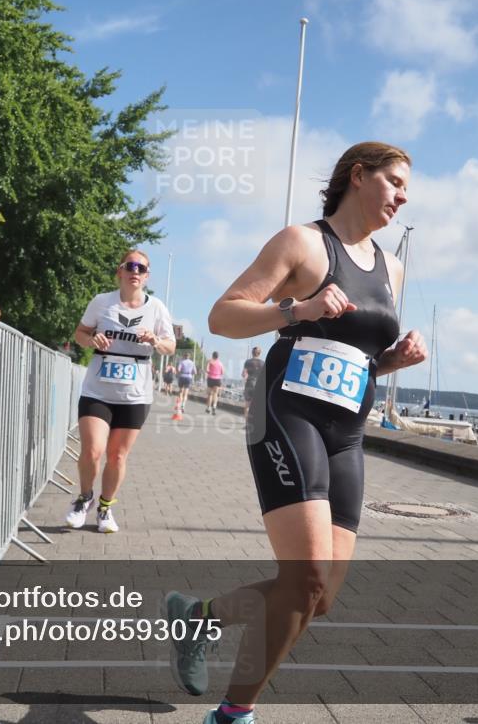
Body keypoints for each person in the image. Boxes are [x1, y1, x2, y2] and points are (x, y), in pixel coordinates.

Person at [165, 142, 428, 723]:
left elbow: (355, 354)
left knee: (321, 596)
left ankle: (200, 617)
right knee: (304, 577)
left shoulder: (393, 267)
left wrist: (392, 361)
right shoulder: (303, 242)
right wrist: (296, 310)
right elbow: (223, 315)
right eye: (395, 182)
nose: (404, 196)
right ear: (359, 177)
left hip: (347, 433)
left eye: (408, 187)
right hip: (287, 414)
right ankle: (234, 714)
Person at [66, 250, 176, 533]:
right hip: (98, 391)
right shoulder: (102, 302)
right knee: (92, 451)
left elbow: (170, 346)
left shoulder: (157, 308)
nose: (135, 271)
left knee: (116, 457)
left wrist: (155, 340)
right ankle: (84, 498)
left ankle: (105, 508)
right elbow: (79, 333)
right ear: (120, 271)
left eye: (141, 268)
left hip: (135, 395)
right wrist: (92, 340)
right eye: (130, 266)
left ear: (147, 276)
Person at [241, 346, 263, 419]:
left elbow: (243, 374)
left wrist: (246, 376)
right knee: (256, 406)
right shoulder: (263, 363)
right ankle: (254, 422)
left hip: (249, 384)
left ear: (252, 353)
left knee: (247, 405)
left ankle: (247, 423)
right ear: (259, 353)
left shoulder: (248, 362)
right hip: (258, 386)